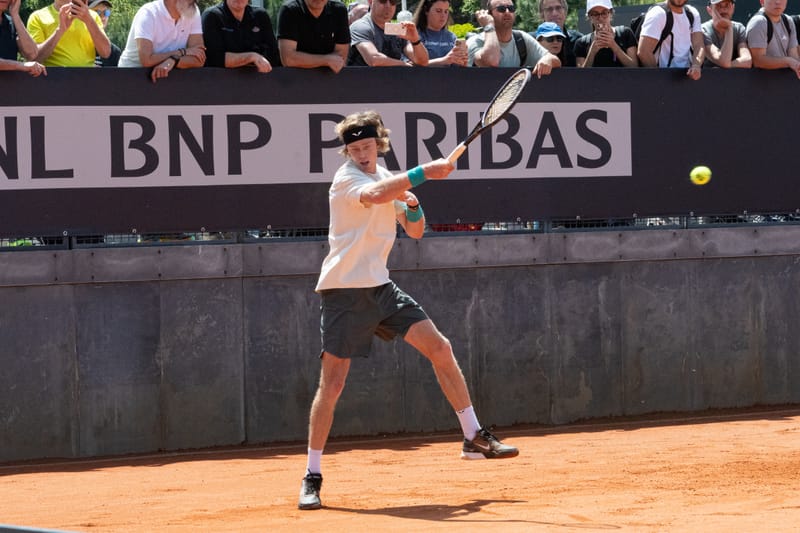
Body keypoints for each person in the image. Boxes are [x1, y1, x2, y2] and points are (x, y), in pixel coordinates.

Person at [297, 109, 519, 511]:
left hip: (381, 289)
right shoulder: (347, 179)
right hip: (344, 292)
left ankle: (472, 436)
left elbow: (415, 230)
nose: (362, 154)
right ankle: (312, 476)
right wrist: (421, 173)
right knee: (332, 385)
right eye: (354, 148)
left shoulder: (387, 176)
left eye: (367, 146)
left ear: (378, 145)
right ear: (346, 151)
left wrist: (413, 204)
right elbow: (375, 197)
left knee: (440, 347)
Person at [118, 0, 206, 84]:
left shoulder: (192, 11)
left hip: (166, 77)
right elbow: (146, 60)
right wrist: (181, 53)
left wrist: (174, 60)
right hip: (131, 76)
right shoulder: (148, 13)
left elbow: (199, 59)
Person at [468, 0, 560, 77]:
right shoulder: (475, 42)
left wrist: (548, 60)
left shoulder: (522, 39)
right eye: (501, 9)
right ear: (489, 14)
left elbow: (556, 61)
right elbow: (492, 61)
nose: (507, 12)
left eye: (511, 8)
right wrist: (489, 26)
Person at [26, 0, 111, 67]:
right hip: (53, 80)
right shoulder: (37, 17)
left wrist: (88, 20)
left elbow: (106, 52)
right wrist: (60, 31)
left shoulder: (92, 16)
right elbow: (35, 59)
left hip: (86, 79)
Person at [202, 0, 280, 72]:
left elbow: (273, 55)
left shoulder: (261, 16)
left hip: (258, 80)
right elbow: (215, 59)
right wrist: (251, 57)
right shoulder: (212, 16)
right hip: (221, 82)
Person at [276, 0, 350, 73]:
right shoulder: (290, 10)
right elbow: (288, 59)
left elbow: (340, 58)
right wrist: (326, 60)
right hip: (296, 79)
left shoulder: (339, 11)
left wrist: (307, 61)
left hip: (330, 78)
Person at [347, 0, 429, 66]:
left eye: (393, 2)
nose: (388, 6)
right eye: (382, 1)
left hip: (389, 83)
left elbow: (422, 62)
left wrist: (415, 40)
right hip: (361, 83)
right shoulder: (361, 26)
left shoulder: (396, 29)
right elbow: (374, 59)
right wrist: (404, 64)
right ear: (370, 2)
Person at [636, 0, 704, 80]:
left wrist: (696, 65)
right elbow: (644, 51)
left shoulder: (693, 13)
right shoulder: (657, 14)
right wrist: (659, 78)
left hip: (687, 77)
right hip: (662, 79)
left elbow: (699, 45)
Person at [574, 0, 638, 67]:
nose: (600, 18)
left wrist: (614, 46)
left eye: (604, 13)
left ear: (610, 14)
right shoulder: (581, 43)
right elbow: (581, 75)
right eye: (595, 14)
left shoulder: (625, 33)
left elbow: (634, 67)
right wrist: (592, 52)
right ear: (590, 17)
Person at [745, 0, 800, 76]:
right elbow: (758, 61)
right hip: (762, 83)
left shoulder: (788, 20)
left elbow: (794, 55)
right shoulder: (758, 22)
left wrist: (795, 63)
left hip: (787, 83)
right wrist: (788, 61)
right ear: (762, 1)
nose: (778, 2)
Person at [413, 0, 467, 67]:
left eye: (446, 11)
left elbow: (458, 69)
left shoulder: (452, 37)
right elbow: (412, 65)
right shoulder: (415, 35)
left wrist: (463, 62)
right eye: (438, 11)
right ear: (426, 10)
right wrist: (444, 60)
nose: (443, 15)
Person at [0, 0, 46, 75]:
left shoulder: (10, 22)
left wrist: (15, 15)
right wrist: (20, 65)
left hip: (10, 86)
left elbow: (32, 54)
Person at [702, 0, 751, 68]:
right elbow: (724, 62)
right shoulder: (703, 31)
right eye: (718, 5)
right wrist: (729, 28)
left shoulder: (739, 28)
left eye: (727, 5)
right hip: (709, 77)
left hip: (734, 77)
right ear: (709, 10)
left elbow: (747, 61)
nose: (723, 9)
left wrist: (728, 65)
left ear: (733, 8)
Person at [538, 0, 582, 67]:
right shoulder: (529, 41)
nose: (554, 13)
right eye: (549, 9)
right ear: (542, 14)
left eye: (558, 8)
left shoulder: (578, 41)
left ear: (565, 12)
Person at [88, 0, 120, 66]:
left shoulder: (114, 52)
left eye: (106, 12)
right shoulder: (74, 45)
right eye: (97, 12)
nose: (103, 18)